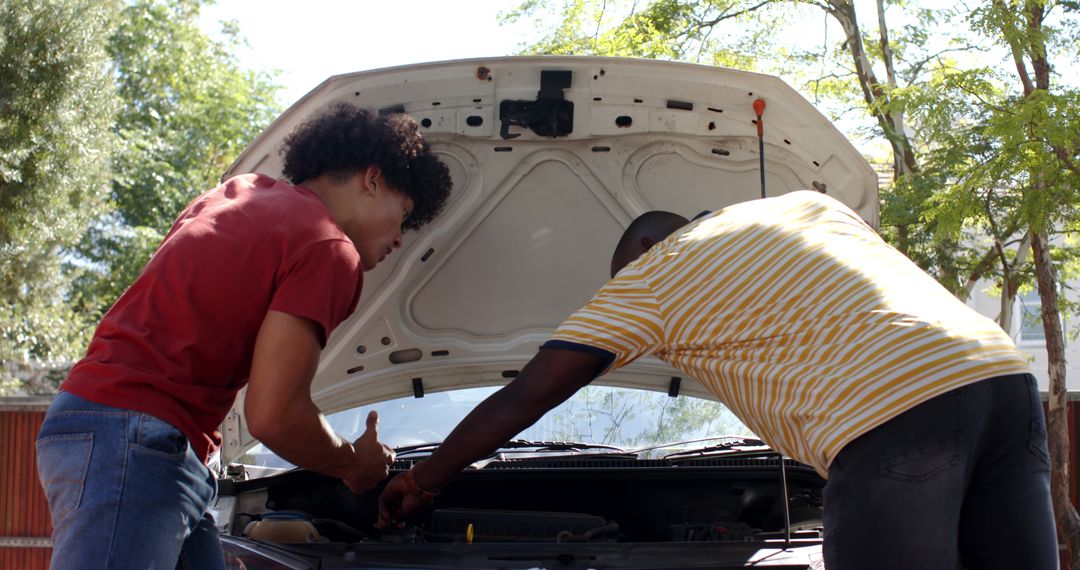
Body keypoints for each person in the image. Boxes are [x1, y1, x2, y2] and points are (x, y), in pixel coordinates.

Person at [378, 190, 1057, 569]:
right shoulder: (807, 206)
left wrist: (424, 482)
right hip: (1000, 378)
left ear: (644, 250)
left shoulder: (651, 276)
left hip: (891, 409)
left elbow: (528, 395)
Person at [35, 102, 452, 569]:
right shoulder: (328, 247)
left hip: (111, 426)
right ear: (372, 179)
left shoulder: (238, 193)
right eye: (405, 214)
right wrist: (354, 463)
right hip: (138, 440)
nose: (400, 238)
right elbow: (275, 416)